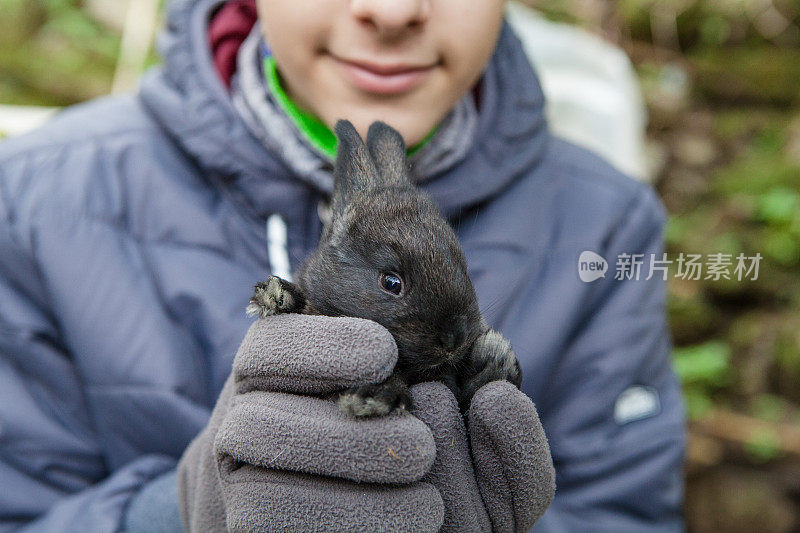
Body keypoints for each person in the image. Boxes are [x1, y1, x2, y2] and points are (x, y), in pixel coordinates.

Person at [0, 0, 686, 531]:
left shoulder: (606, 223)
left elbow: (624, 510)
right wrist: (179, 510)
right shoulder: (35, 200)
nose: (391, 12)